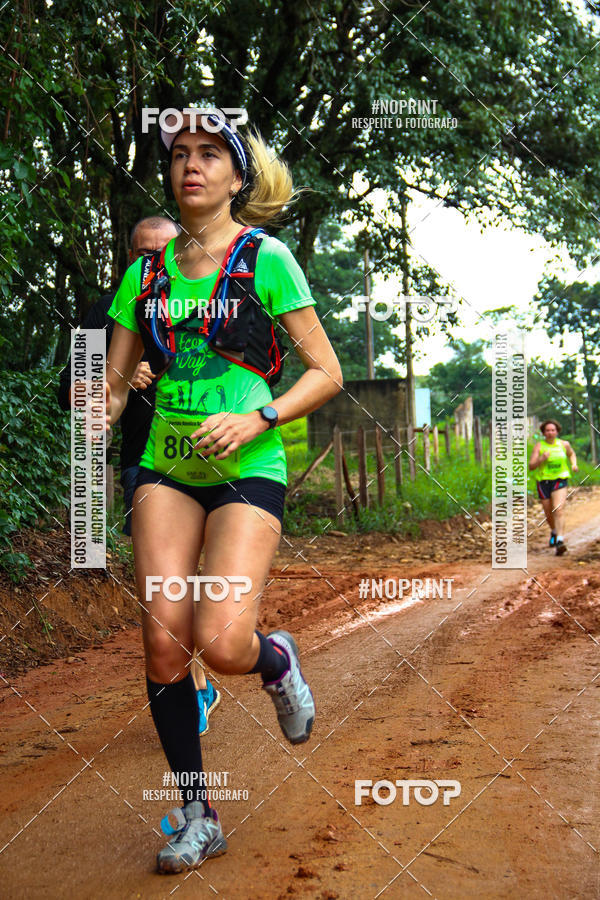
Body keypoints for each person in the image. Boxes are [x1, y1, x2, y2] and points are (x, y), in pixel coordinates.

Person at [105, 110, 342, 874]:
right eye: (180, 154)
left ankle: (274, 660)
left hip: (248, 468)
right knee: (164, 638)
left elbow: (325, 373)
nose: (192, 166)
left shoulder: (265, 259)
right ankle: (198, 814)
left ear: (238, 176)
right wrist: (91, 412)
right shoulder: (144, 274)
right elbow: (109, 388)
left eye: (210, 154)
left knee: (219, 639)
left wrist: (258, 417)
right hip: (167, 470)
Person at [60, 216, 220, 735]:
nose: (153, 262)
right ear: (128, 257)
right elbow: (71, 394)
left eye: (164, 251)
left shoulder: (213, 300)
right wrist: (116, 371)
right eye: (142, 254)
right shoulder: (105, 312)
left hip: (213, 457)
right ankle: (194, 684)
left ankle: (197, 678)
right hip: (143, 464)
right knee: (164, 584)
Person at [529, 419, 578, 555]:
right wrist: (541, 459)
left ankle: (560, 541)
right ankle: (554, 532)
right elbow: (531, 466)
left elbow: (571, 454)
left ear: (557, 431)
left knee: (558, 509)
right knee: (548, 512)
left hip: (560, 479)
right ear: (543, 432)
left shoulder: (564, 444)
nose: (550, 433)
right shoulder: (539, 446)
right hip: (544, 481)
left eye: (553, 430)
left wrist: (573, 464)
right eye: (547, 430)